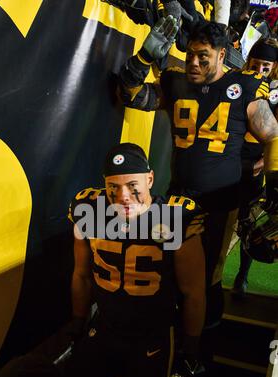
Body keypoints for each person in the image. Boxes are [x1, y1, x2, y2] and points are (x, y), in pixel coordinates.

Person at [117, 18, 278, 354]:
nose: (193, 62)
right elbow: (132, 96)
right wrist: (143, 59)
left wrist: (273, 180)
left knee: (208, 279)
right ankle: (172, 344)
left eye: (203, 57)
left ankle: (201, 352)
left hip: (221, 201)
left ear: (222, 56)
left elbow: (273, 135)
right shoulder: (176, 83)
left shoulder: (244, 88)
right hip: (180, 199)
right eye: (190, 54)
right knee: (172, 275)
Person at [66, 142, 206, 377]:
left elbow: (193, 291)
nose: (123, 196)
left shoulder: (174, 217)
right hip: (103, 328)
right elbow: (80, 274)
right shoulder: (87, 210)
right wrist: (78, 320)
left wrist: (192, 343)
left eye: (133, 185)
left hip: (152, 338)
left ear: (150, 180)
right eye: (113, 186)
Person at [233, 38, 278, 297]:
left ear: (273, 67)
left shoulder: (275, 91)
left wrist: (260, 164)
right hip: (228, 160)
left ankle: (243, 274)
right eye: (256, 63)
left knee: (246, 222)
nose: (259, 69)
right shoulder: (238, 82)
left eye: (266, 65)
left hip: (254, 163)